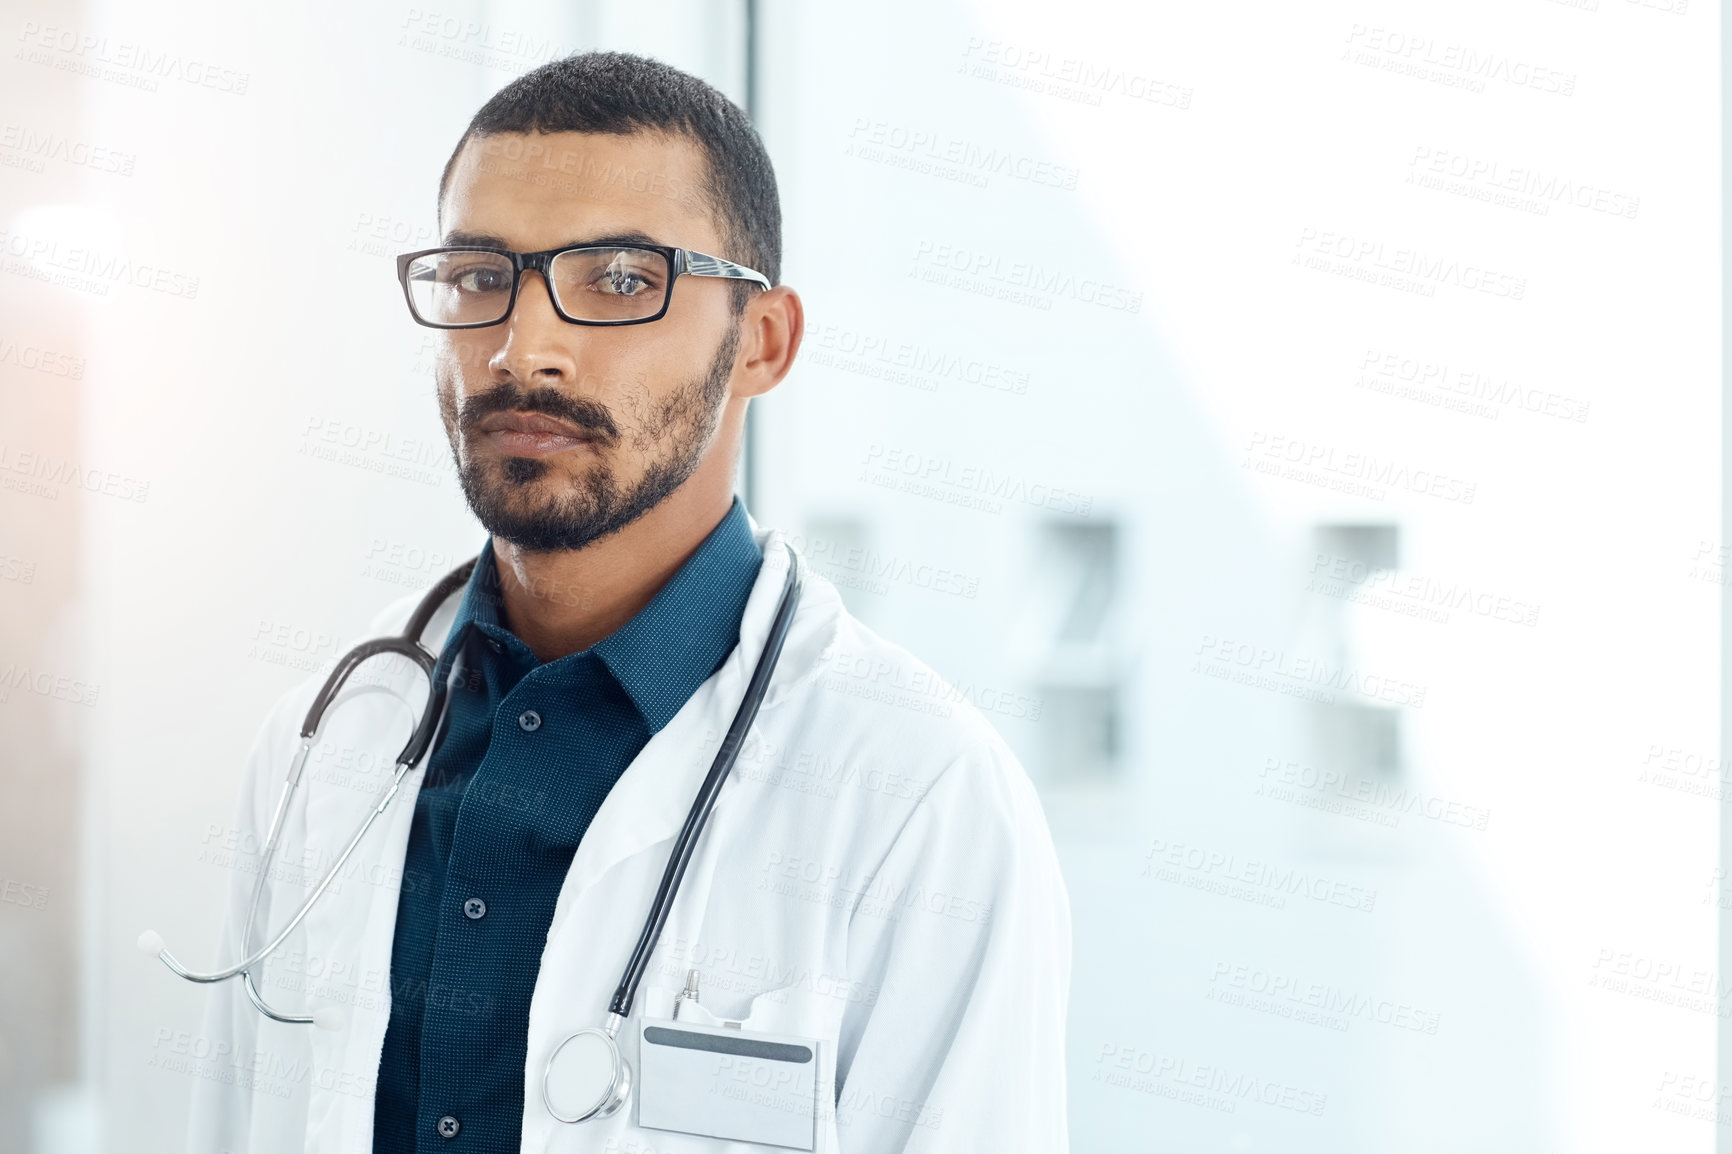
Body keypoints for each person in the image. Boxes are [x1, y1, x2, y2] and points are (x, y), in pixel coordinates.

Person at [187, 51, 1070, 1153]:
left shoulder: (916, 797)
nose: (524, 348)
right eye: (478, 277)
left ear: (762, 341)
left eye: (616, 279)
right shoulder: (326, 744)